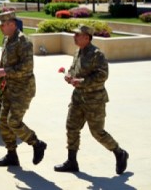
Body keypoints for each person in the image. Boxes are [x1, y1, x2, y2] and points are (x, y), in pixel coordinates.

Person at [54, 25, 129, 175]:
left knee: (97, 132)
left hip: (94, 99)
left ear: (87, 37)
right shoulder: (78, 52)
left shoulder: (97, 54)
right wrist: (69, 75)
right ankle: (72, 161)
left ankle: (119, 152)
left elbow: (102, 76)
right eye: (74, 34)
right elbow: (73, 68)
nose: (74, 37)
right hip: (78, 98)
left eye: (78, 35)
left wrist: (82, 81)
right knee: (72, 127)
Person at [0, 11, 46, 167]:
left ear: (12, 24)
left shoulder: (23, 41)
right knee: (3, 121)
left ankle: (36, 144)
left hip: (23, 89)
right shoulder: (6, 39)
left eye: (2, 25)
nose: (0, 28)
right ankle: (12, 155)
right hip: (10, 88)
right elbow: (3, 63)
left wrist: (6, 72)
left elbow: (27, 68)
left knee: (14, 121)